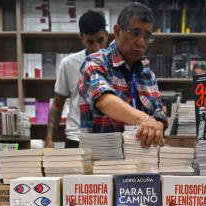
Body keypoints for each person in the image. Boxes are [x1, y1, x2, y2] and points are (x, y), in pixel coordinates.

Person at [78, 2, 166, 148]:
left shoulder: (148, 75)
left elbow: (159, 115)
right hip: (103, 162)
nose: (141, 42)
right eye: (135, 33)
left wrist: (158, 126)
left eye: (147, 36)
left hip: (143, 159)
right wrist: (146, 120)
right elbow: (104, 101)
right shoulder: (95, 62)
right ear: (118, 31)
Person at [45, 10, 110, 149]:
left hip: (109, 138)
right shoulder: (68, 63)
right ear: (81, 38)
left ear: (107, 34)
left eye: (100, 40)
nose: (96, 48)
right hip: (76, 138)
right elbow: (57, 104)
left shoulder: (118, 62)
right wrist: (49, 138)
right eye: (90, 42)